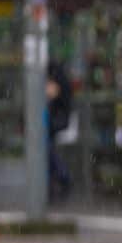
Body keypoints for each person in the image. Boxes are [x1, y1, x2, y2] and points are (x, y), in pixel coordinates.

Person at [46, 61, 73, 204]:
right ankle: (59, 178)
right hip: (58, 120)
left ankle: (62, 176)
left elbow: (52, 97)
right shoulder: (62, 80)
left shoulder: (57, 82)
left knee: (48, 149)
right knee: (48, 149)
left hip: (57, 121)